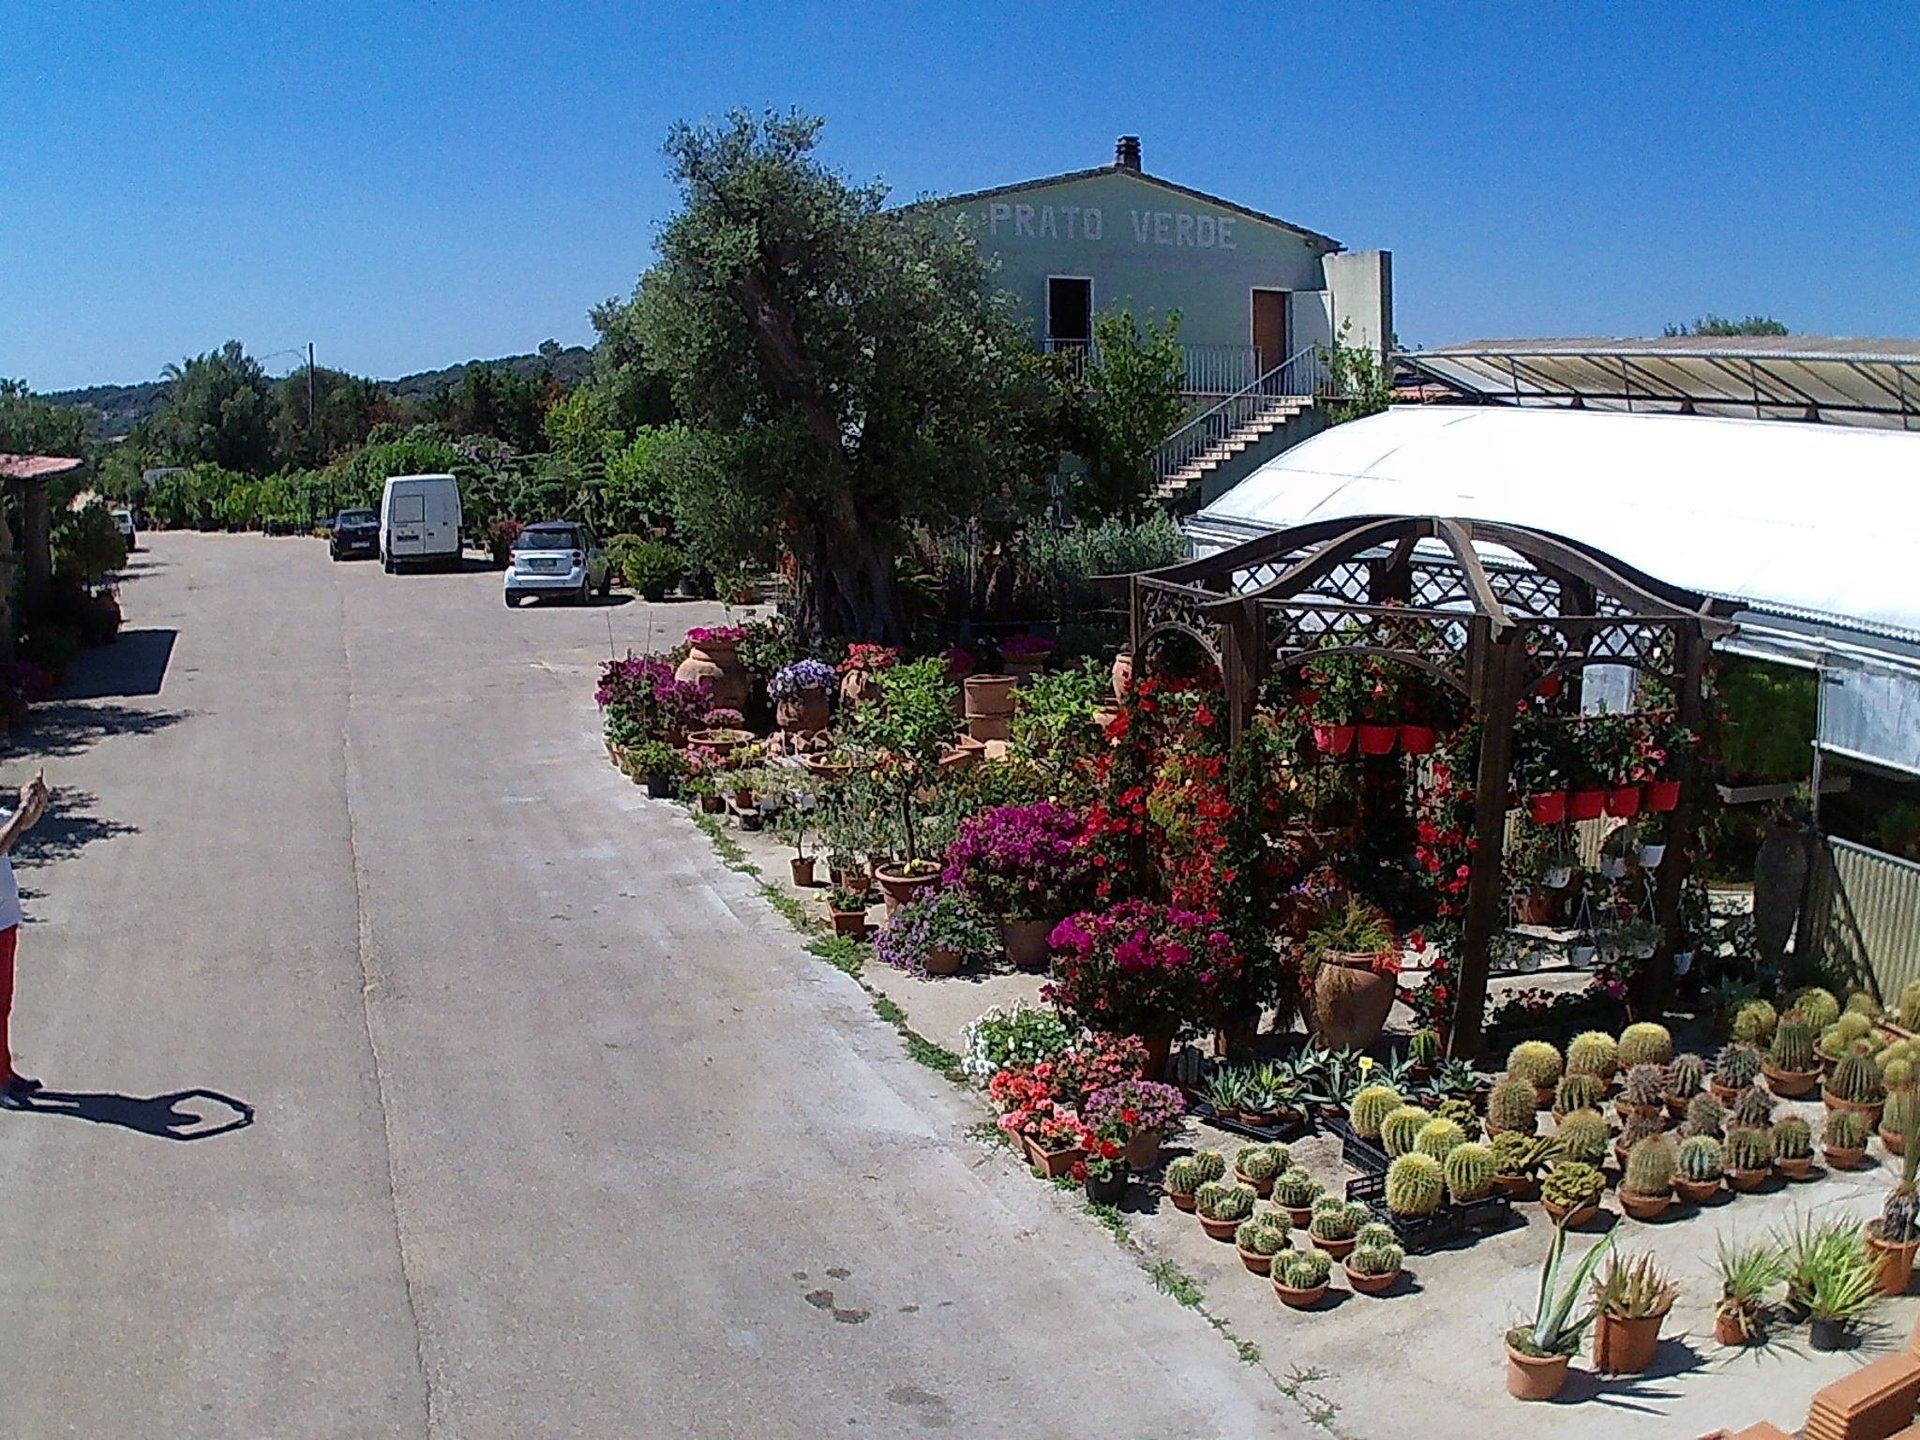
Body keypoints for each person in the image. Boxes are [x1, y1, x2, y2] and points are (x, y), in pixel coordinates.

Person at [0, 769, 50, 1108]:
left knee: (3, 1003)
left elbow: (21, 826)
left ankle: (4, 1073)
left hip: (4, 921)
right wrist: (21, 810)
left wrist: (36, 803)